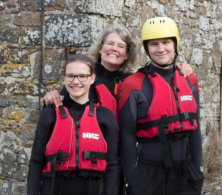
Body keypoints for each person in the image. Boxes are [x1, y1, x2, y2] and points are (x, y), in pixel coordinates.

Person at [42, 24, 194, 195]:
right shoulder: (81, 81)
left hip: (122, 160)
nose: (114, 49)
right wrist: (51, 98)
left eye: (121, 46)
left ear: (127, 54)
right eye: (110, 44)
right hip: (89, 164)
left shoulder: (132, 82)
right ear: (100, 48)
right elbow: (58, 121)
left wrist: (181, 67)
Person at [119, 17, 204, 195]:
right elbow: (127, 135)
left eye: (166, 42)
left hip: (186, 172)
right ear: (147, 48)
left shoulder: (190, 80)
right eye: (154, 44)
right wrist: (131, 178)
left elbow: (195, 129)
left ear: (175, 45)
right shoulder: (133, 84)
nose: (161, 49)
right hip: (147, 173)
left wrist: (199, 168)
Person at [27, 54, 119, 195]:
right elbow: (36, 162)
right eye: (70, 76)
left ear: (92, 78)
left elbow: (112, 165)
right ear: (64, 78)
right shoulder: (49, 114)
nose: (76, 81)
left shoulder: (105, 116)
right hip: (54, 188)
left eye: (82, 76)